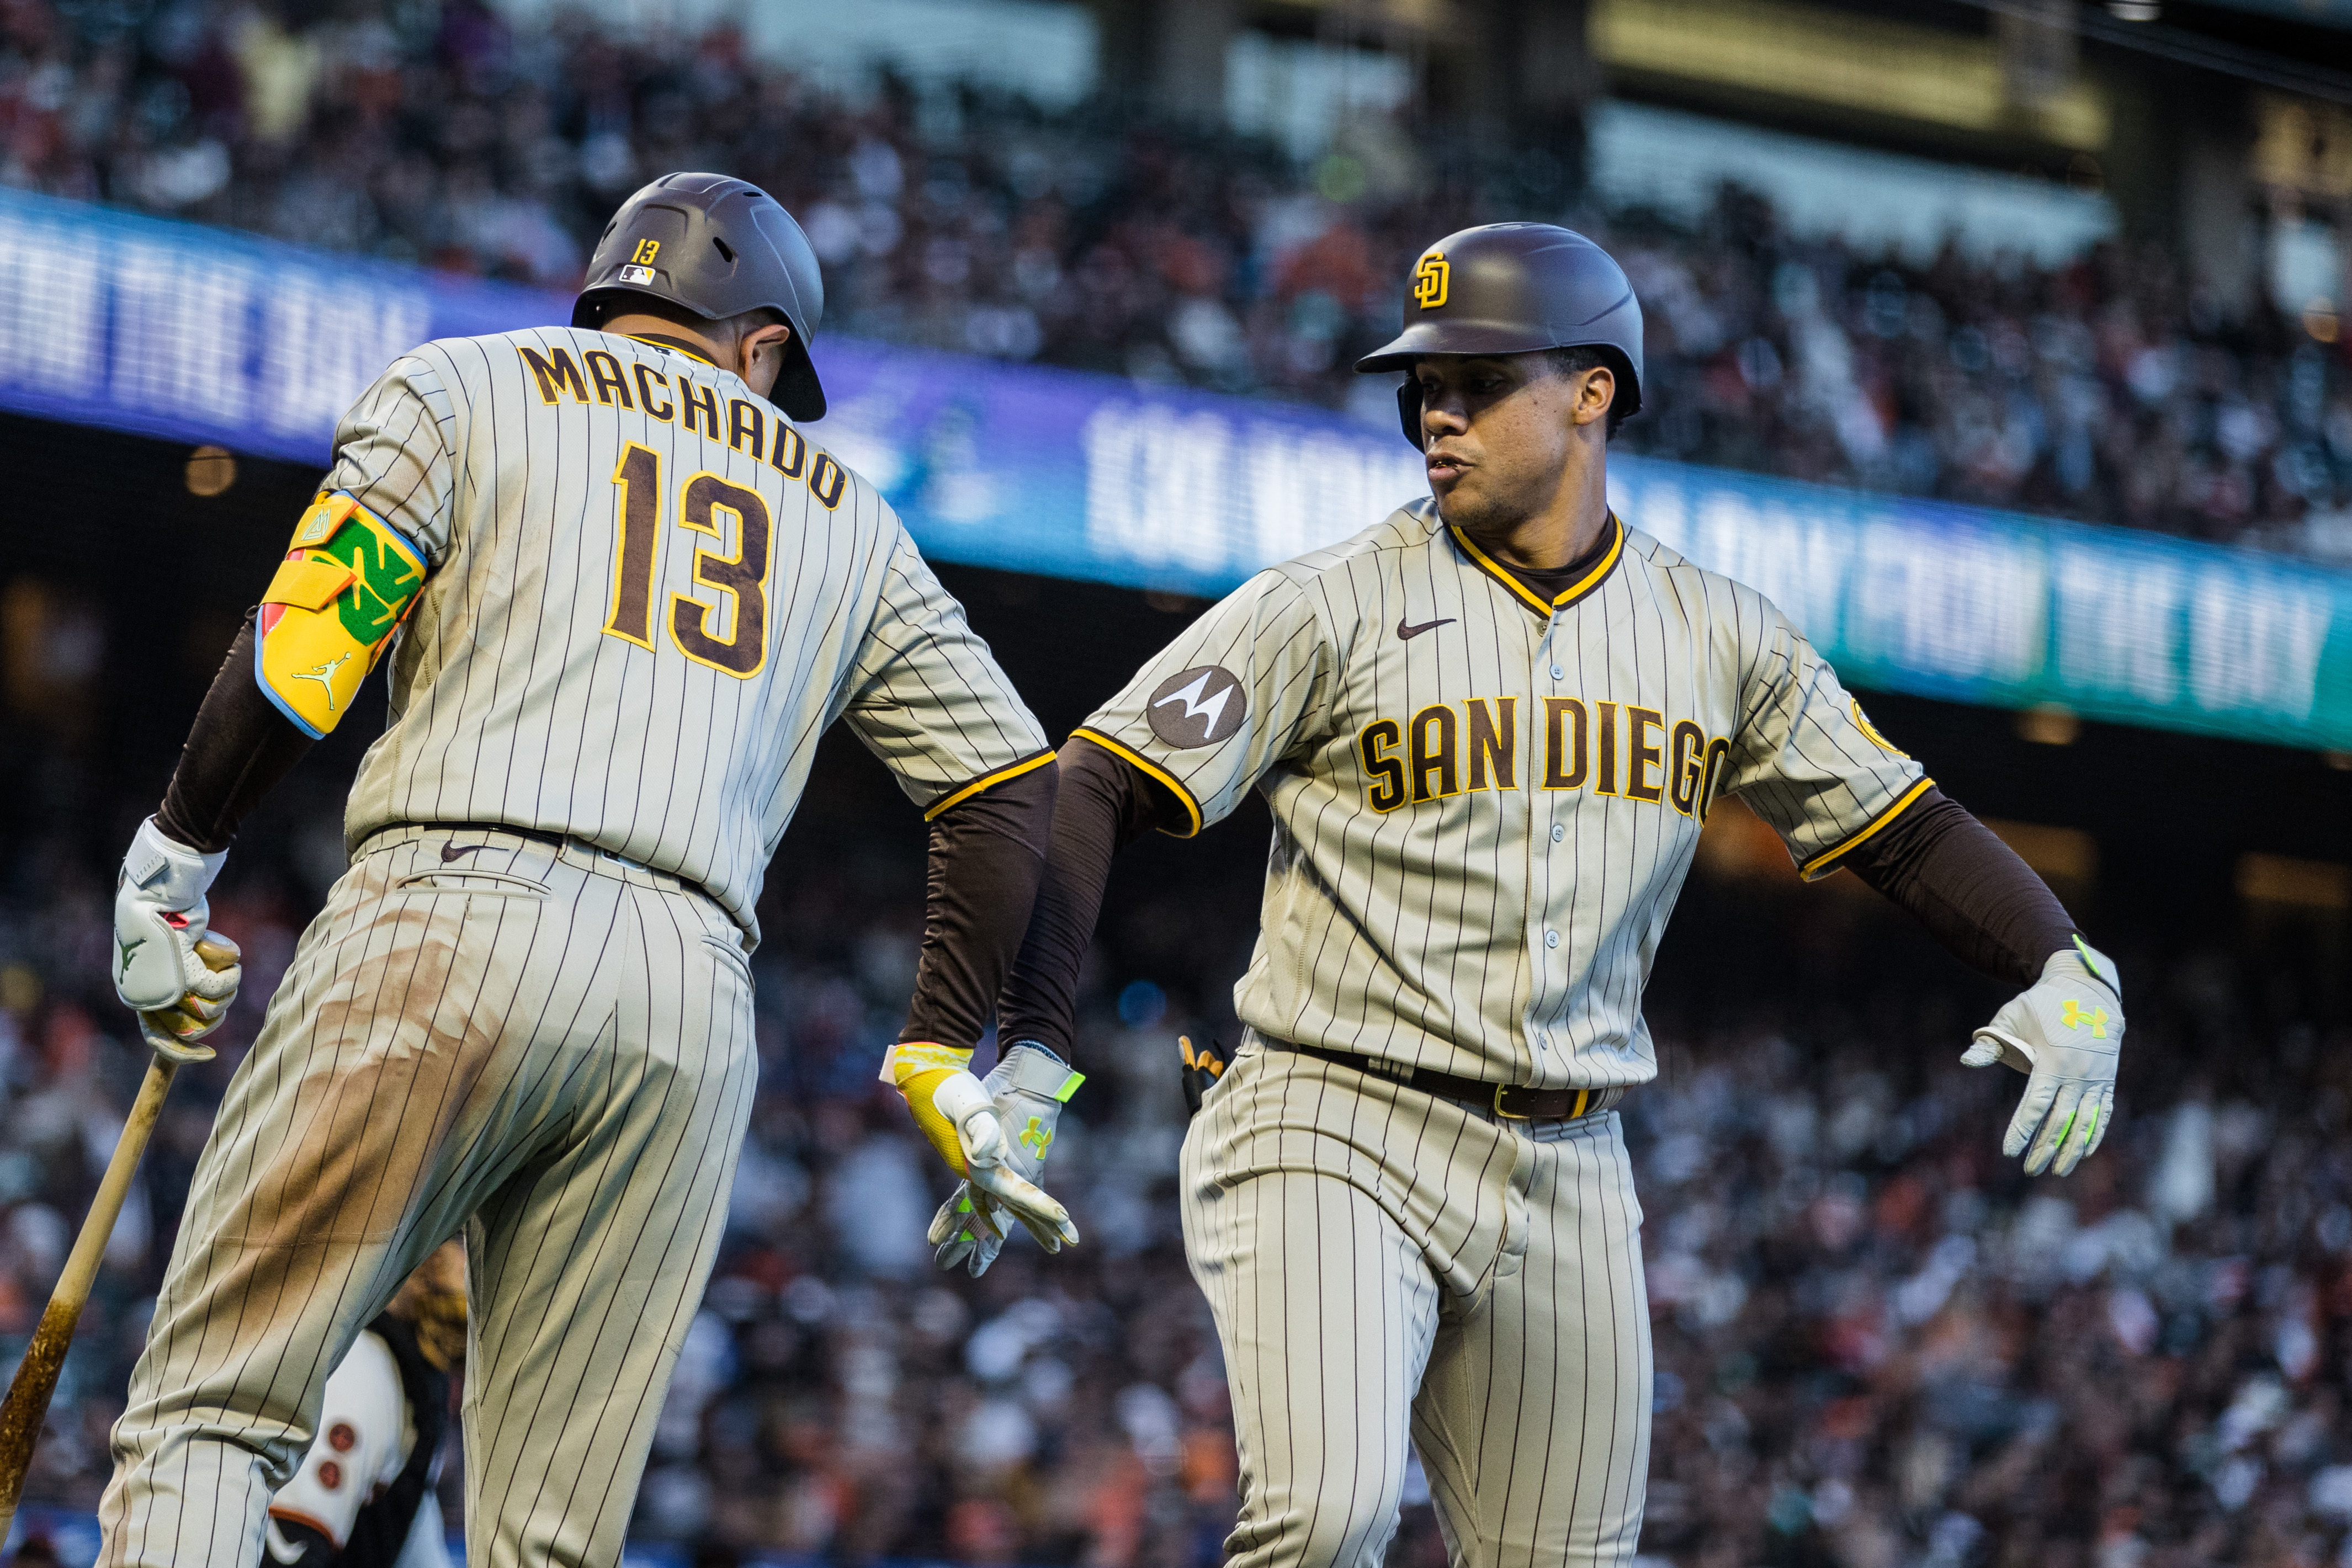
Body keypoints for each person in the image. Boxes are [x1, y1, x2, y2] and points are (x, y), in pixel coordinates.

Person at [974, 223, 2125, 1568]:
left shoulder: (1716, 633)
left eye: (1476, 379)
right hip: (1329, 1113)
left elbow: (1901, 826)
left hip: (1570, 1162)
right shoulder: (1329, 602)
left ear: (1593, 389)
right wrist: (1037, 1041)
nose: (1434, 413)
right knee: (1328, 1515)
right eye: (1419, 388)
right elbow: (1093, 774)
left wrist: (2060, 960)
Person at [99, 171, 1071, 1568]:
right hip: (685, 1002)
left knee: (213, 1411)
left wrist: (177, 852)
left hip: (445, 910)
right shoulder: (850, 514)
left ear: (612, 299)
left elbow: (310, 647)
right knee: (544, 1535)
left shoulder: (470, 385)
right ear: (764, 345)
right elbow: (1002, 789)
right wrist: (937, 1045)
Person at [266, 1242, 467, 1568]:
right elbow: (288, 1548)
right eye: (458, 1243)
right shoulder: (359, 1363)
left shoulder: (415, 1383)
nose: (465, 1264)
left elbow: (414, 1545)